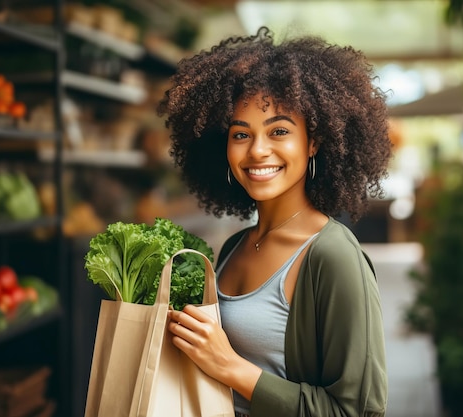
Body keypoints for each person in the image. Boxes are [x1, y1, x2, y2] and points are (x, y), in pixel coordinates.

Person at [159, 26, 391, 417]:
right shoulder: (235, 247)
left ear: (313, 141)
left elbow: (355, 411)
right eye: (240, 134)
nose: (258, 151)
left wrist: (230, 367)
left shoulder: (332, 257)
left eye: (279, 131)